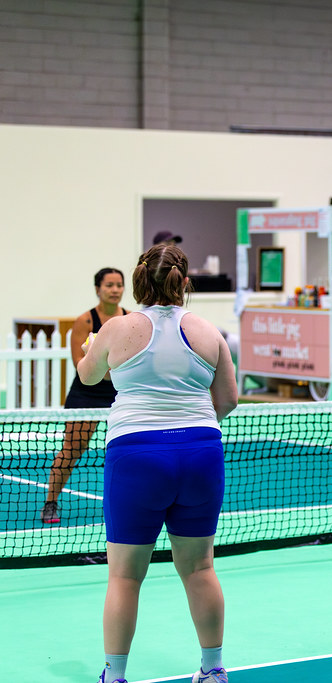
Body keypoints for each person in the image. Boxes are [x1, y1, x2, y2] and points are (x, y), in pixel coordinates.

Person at [78, 243, 238, 683]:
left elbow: (87, 376)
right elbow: (228, 401)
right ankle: (213, 670)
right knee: (201, 568)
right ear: (184, 283)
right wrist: (189, 425)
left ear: (137, 282)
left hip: (136, 455)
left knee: (125, 578)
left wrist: (94, 346)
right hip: (201, 453)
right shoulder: (210, 331)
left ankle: (115, 676)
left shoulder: (115, 328)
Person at [41, 268, 128, 524]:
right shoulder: (85, 321)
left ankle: (131, 503)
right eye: (109, 285)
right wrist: (109, 372)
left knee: (128, 448)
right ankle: (50, 503)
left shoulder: (130, 319)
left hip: (119, 394)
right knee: (72, 450)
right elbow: (81, 364)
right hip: (86, 394)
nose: (115, 290)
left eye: (119, 285)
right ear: (98, 289)